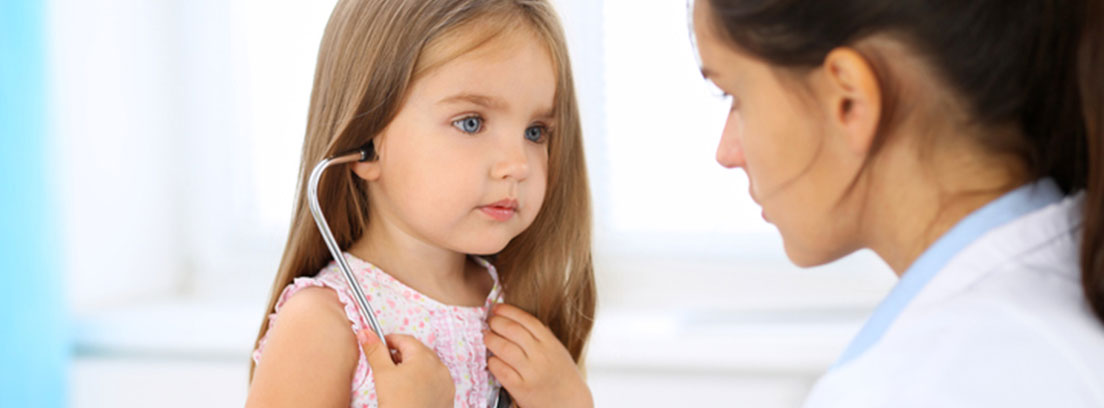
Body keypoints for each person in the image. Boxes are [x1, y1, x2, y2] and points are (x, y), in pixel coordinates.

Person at [691, 0, 1104, 405]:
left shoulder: (912, 387)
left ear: (848, 100)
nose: (725, 152)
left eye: (733, 97)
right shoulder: (1060, 307)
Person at [245, 1, 596, 407]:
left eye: (535, 132)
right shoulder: (322, 324)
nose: (517, 165)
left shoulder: (511, 300)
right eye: (471, 122)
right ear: (367, 143)